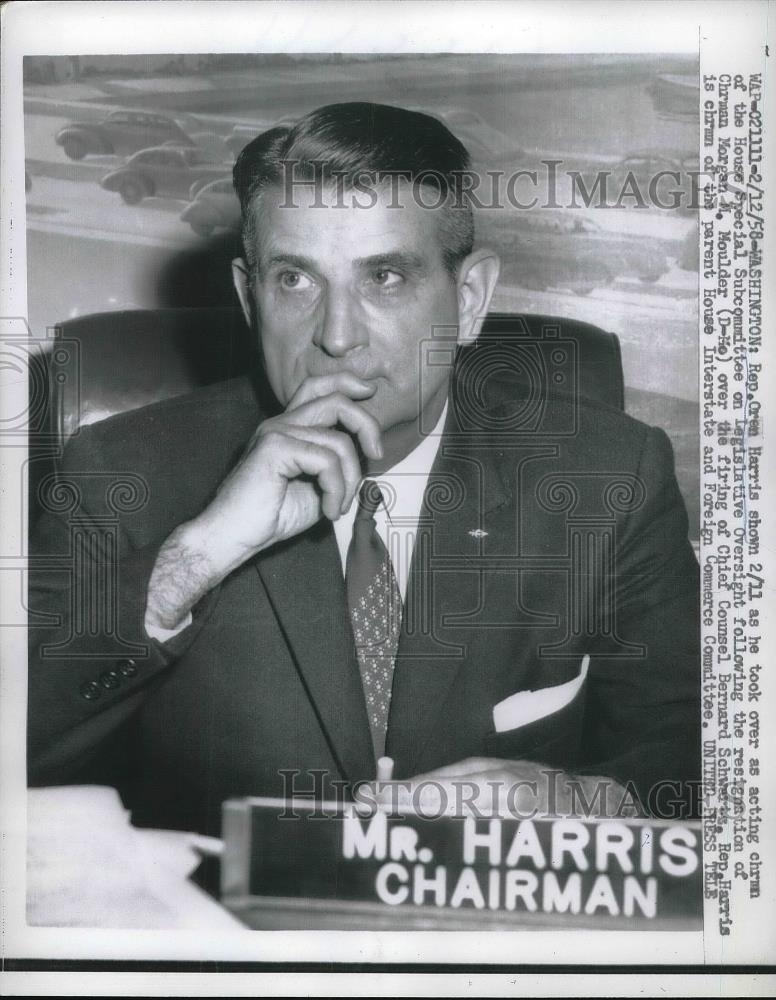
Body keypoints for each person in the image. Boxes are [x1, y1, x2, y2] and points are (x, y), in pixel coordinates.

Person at [27, 103, 700, 835]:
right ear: (249, 299)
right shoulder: (119, 472)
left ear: (467, 301)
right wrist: (196, 556)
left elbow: (694, 757)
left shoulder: (611, 478)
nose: (337, 336)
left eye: (384, 276)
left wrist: (585, 803)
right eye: (294, 280)